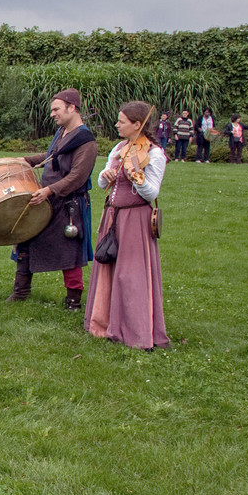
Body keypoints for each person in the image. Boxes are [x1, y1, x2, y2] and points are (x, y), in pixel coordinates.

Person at [85, 101, 169, 350]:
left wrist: (137, 177)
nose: (117, 125)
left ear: (137, 124)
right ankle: (104, 322)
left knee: (130, 274)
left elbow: (152, 191)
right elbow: (102, 184)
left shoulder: (154, 153)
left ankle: (135, 330)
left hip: (136, 219)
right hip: (112, 216)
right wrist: (105, 176)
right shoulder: (119, 148)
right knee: (108, 268)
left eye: (122, 121)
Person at [5, 88, 98, 310]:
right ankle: (21, 292)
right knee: (26, 239)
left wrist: (49, 191)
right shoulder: (62, 132)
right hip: (47, 198)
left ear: (72, 108)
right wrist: (24, 160)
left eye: (56, 109)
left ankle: (73, 301)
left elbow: (77, 177)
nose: (52, 114)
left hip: (69, 204)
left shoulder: (86, 142)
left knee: (70, 254)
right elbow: (51, 157)